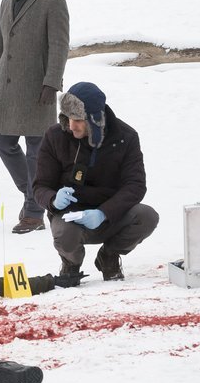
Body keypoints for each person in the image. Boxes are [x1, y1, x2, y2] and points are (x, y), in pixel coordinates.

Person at [33, 82, 159, 285]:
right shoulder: (55, 136)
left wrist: (104, 212)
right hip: (70, 215)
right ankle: (70, 263)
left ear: (94, 118)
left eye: (77, 120)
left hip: (111, 214)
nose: (71, 126)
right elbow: (40, 186)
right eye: (68, 119)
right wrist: (54, 199)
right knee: (66, 236)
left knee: (147, 216)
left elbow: (135, 185)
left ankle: (108, 256)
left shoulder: (126, 137)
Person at [0, 0, 70, 234]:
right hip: (8, 89)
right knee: (1, 141)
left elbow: (59, 46)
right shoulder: (7, 1)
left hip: (38, 87)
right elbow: (0, 46)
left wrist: (52, 83)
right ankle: (33, 196)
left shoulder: (53, 0)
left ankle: (34, 212)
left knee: (36, 151)